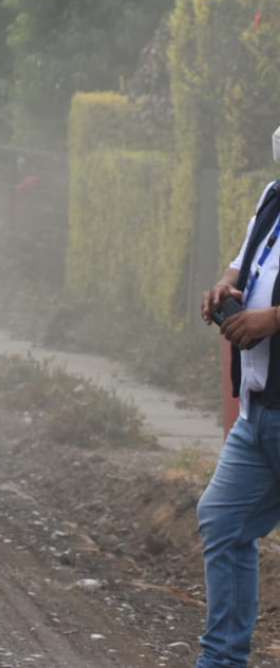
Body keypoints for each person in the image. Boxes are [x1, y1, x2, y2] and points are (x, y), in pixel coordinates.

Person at [197, 126, 280, 668]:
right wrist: (229, 283)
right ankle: (222, 660)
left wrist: (272, 319)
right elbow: (247, 253)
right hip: (259, 407)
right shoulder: (273, 195)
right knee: (221, 520)